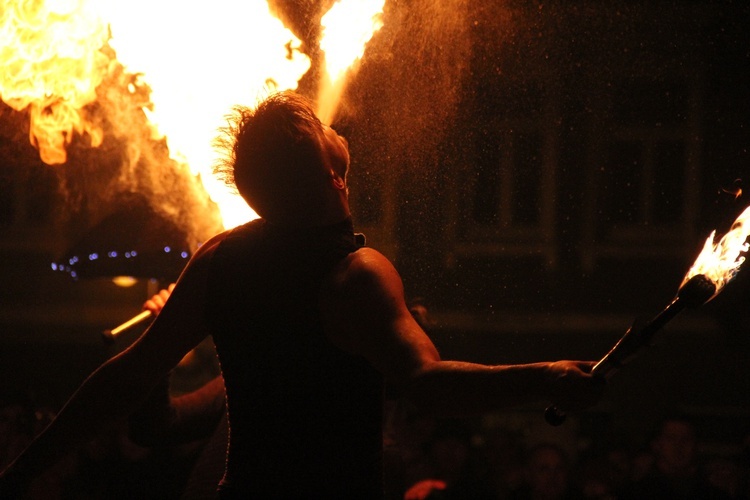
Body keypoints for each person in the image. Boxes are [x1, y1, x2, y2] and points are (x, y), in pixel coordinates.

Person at [0, 90, 604, 499]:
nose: (327, 119)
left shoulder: (220, 258)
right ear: (329, 173)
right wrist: (544, 376)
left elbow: (128, 376)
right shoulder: (356, 274)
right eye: (316, 126)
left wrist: (20, 471)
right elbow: (428, 382)